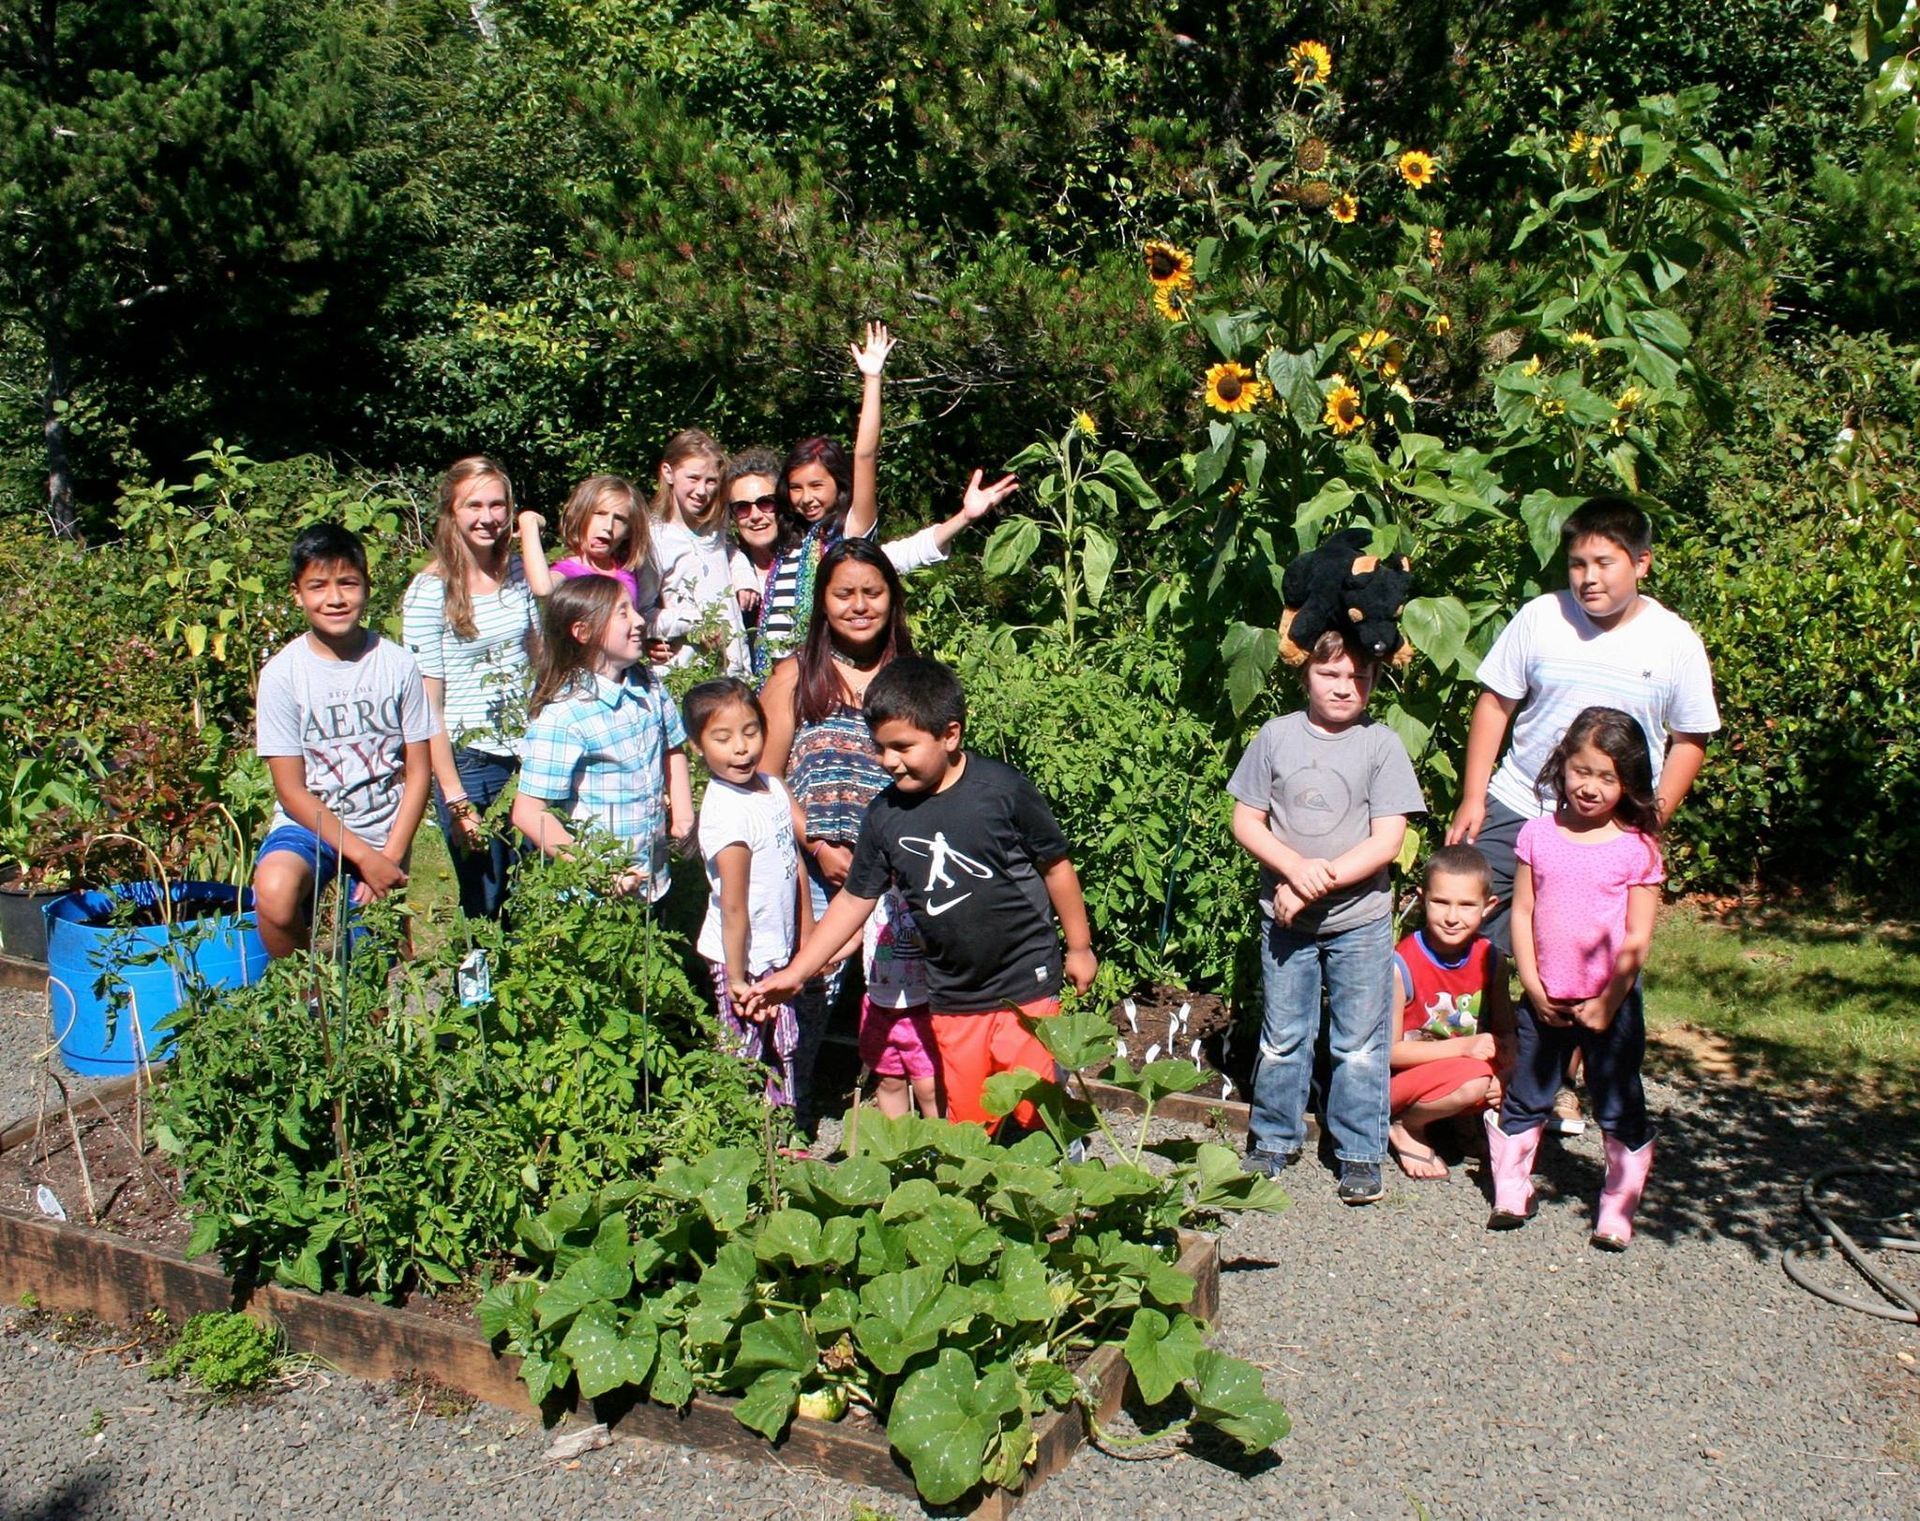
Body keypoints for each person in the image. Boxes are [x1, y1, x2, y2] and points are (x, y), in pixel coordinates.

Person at [1444, 495, 1718, 1130]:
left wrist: (1650, 819)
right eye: (1576, 564)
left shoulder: (1673, 640)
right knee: (1467, 931)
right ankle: (1464, 1075)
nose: (1588, 578)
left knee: (1586, 950)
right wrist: (1474, 795)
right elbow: (1495, 704)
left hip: (1607, 831)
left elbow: (1690, 738)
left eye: (1604, 562)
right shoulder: (1541, 618)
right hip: (1519, 807)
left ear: (1642, 563)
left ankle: (1560, 1080)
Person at [749, 656, 1097, 1133]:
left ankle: (1058, 1186)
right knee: (971, 1124)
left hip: (1025, 980)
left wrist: (1078, 947)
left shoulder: (1002, 791)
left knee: (1034, 1111)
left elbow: (1055, 866)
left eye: (903, 747)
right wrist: (798, 971)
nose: (889, 761)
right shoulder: (885, 816)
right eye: (880, 748)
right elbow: (853, 900)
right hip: (953, 994)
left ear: (950, 735)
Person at [1227, 629, 1425, 1203]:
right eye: (1330, 674)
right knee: (1284, 1036)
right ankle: (1273, 1137)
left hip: (1360, 921)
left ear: (1374, 680)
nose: (1345, 687)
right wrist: (1294, 869)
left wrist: (1315, 884)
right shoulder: (1275, 737)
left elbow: (1388, 840)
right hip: (1285, 919)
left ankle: (1360, 1151)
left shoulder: (1381, 745)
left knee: (1359, 1042)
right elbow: (1246, 820)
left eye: (1358, 676)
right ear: (1304, 673)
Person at [1488, 707, 1664, 1250]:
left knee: (1617, 1099)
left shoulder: (1637, 850)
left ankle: (1617, 1204)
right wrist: (1534, 985)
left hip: (1609, 1002)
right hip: (1545, 995)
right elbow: (1522, 911)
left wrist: (1610, 1000)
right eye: (1581, 771)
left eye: (1607, 776)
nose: (1589, 787)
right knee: (1527, 1094)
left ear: (1629, 782)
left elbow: (1637, 936)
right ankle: (1511, 1189)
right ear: (1563, 767)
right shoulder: (1539, 836)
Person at [253, 524, 437, 958]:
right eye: (317, 586)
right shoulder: (283, 675)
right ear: (297, 594)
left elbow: (419, 772)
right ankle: (308, 993)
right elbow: (291, 791)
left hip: (381, 829)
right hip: (309, 826)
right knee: (274, 893)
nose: (334, 599)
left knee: (374, 959)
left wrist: (387, 858)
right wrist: (364, 858)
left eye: (347, 583)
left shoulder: (396, 665)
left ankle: (371, 1020)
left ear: (367, 588)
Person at [401, 456, 539, 920]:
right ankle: (478, 993)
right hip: (471, 762)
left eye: (498, 504)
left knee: (535, 893)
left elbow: (542, 658)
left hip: (531, 754)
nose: (488, 517)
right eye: (473, 505)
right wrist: (457, 799)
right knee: (486, 901)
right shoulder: (429, 592)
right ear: (451, 513)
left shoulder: (520, 573)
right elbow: (427, 708)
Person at [511, 575, 692, 900]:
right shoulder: (565, 715)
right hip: (597, 896)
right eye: (623, 613)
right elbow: (528, 811)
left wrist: (682, 813)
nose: (639, 621)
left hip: (654, 875)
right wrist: (595, 869)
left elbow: (673, 746)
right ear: (583, 632)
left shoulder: (647, 685)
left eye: (634, 609)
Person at [684, 678, 811, 1106]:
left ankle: (785, 1134)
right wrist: (737, 979)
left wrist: (807, 933)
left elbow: (792, 864)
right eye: (722, 738)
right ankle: (745, 1137)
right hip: (741, 959)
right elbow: (734, 906)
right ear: (697, 745)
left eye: (750, 731)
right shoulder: (727, 813)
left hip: (777, 952)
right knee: (745, 1050)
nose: (740, 748)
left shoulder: (772, 788)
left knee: (785, 1043)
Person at [1388, 844, 1511, 1181]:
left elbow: (1507, 1032)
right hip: (1403, 1081)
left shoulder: (1493, 960)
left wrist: (1507, 1074)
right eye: (1441, 902)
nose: (1452, 917)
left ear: (1488, 907)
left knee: (1516, 1069)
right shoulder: (1402, 964)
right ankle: (1406, 1125)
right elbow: (1389, 1052)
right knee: (1474, 1080)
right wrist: (1465, 1048)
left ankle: (1460, 1121)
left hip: (1466, 1068)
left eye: (1467, 905)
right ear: (1422, 897)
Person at [650, 429, 750, 678]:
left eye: (711, 481)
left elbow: (728, 552)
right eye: (693, 478)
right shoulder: (654, 539)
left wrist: (743, 574)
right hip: (689, 674)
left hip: (735, 670)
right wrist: (694, 622)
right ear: (668, 473)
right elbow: (643, 615)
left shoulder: (715, 529)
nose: (702, 490)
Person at [518, 473, 663, 625]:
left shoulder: (629, 570)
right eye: (600, 514)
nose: (608, 527)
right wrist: (529, 524)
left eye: (619, 519)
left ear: (629, 531)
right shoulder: (569, 572)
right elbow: (542, 589)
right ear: (580, 517)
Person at [860, 890, 940, 1119]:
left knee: (929, 1086)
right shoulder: (871, 892)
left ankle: (939, 1145)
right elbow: (852, 932)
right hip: (878, 1005)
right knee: (889, 1080)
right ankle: (896, 1145)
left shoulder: (928, 894)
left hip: (921, 1007)